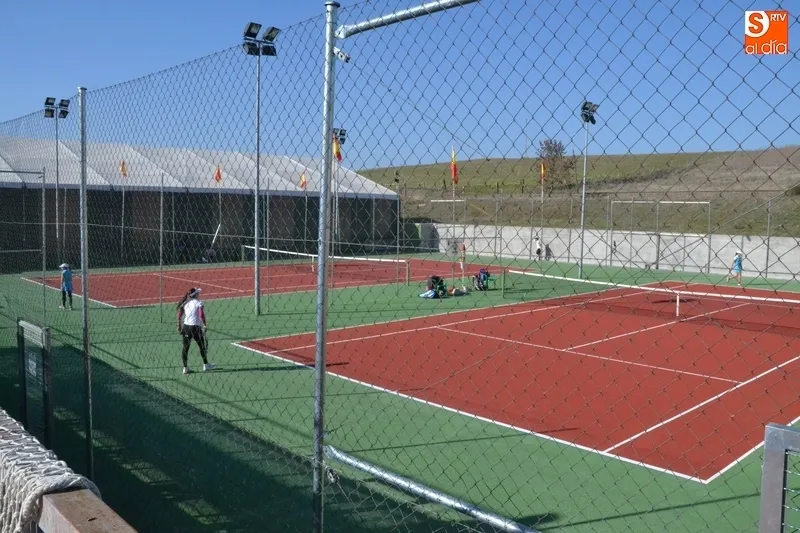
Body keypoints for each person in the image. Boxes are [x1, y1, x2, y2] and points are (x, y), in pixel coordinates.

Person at [176, 287, 215, 374]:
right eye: (198, 293)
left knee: (185, 348)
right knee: (201, 346)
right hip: (195, 328)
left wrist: (179, 325)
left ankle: (185, 368)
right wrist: (205, 325)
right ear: (196, 295)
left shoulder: (185, 303)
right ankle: (206, 365)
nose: (199, 294)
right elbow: (201, 315)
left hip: (186, 328)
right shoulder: (199, 303)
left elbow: (179, 315)